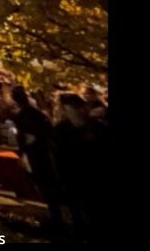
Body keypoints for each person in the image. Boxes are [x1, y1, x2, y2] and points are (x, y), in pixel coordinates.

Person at [53, 93, 108, 241]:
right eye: (76, 108)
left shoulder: (98, 128)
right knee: (80, 223)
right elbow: (59, 161)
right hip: (74, 183)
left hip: (97, 182)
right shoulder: (61, 131)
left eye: (82, 107)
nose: (81, 111)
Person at [10, 86, 60, 230]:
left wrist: (25, 148)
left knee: (44, 183)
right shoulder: (36, 113)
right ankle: (55, 214)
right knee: (47, 183)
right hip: (41, 151)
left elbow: (24, 137)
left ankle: (56, 217)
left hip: (35, 153)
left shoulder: (23, 115)